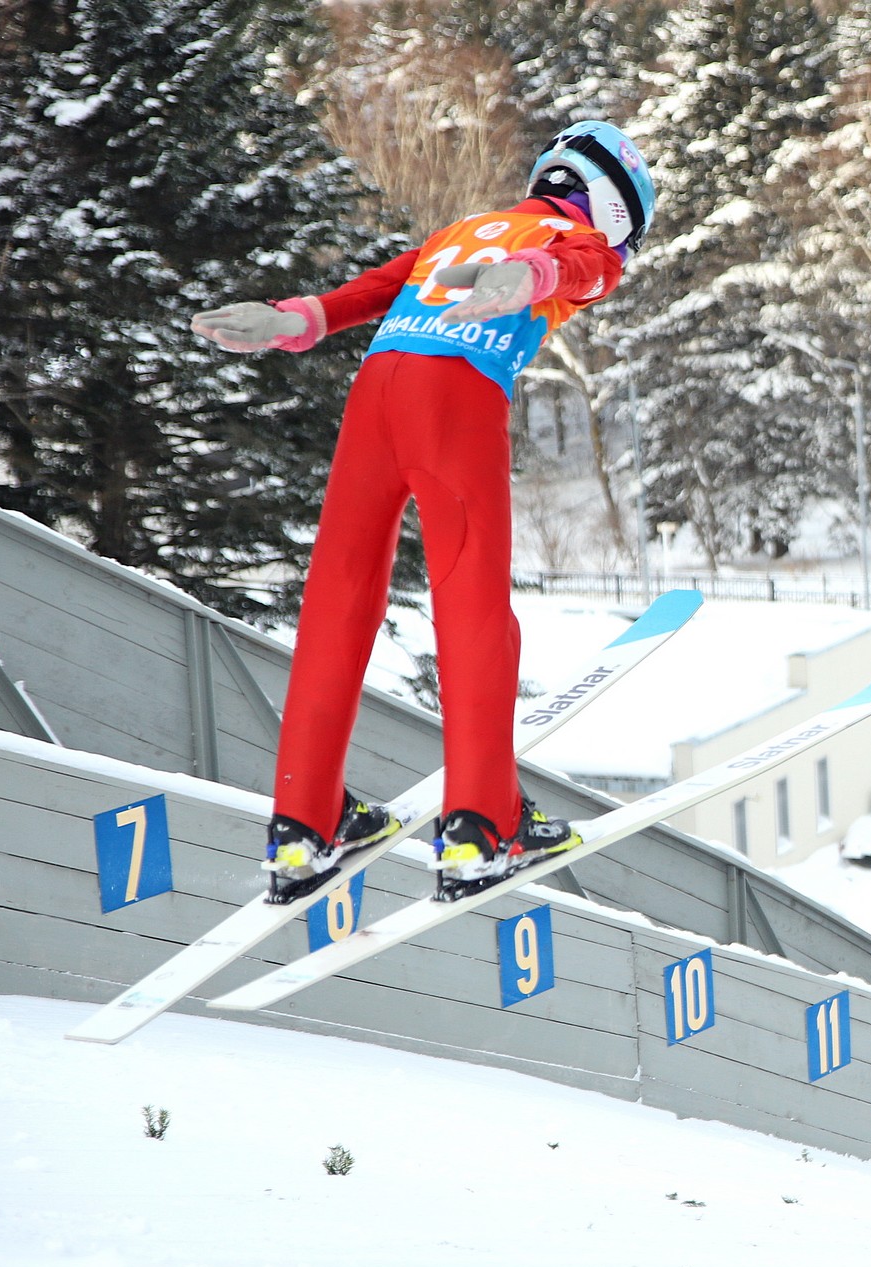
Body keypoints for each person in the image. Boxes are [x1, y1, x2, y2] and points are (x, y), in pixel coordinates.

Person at [192, 121, 655, 903]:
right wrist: (537, 274)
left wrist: (289, 320)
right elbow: (580, 269)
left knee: (338, 600)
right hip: (458, 393)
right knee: (473, 609)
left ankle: (303, 827)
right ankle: (480, 827)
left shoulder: (469, 229)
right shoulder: (585, 246)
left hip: (376, 393)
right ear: (616, 209)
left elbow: (376, 288)